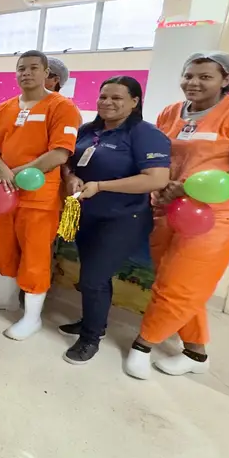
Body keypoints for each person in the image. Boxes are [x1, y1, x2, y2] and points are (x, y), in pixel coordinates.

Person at [125, 51, 229, 379]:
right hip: (167, 208)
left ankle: (143, 344)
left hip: (216, 216)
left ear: (226, 81)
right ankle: (196, 352)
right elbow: (159, 158)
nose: (193, 82)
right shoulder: (170, 113)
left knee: (178, 285)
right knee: (175, 281)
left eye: (205, 77)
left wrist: (190, 188)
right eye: (188, 75)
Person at [57, 77, 170, 365]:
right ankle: (91, 322)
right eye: (103, 97)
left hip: (123, 219)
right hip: (86, 215)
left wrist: (102, 186)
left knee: (93, 279)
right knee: (94, 277)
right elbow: (68, 163)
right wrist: (72, 178)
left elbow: (156, 178)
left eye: (117, 98)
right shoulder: (89, 130)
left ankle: (91, 338)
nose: (107, 103)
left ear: (134, 101)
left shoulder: (145, 134)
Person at [0, 50, 81, 340]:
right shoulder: (5, 107)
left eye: (34, 68)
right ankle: (5, 298)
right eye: (21, 68)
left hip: (39, 198)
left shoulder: (61, 107)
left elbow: (60, 153)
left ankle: (32, 318)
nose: (26, 73)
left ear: (47, 73)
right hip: (5, 193)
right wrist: (2, 169)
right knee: (3, 248)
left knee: (35, 256)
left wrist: (18, 172)